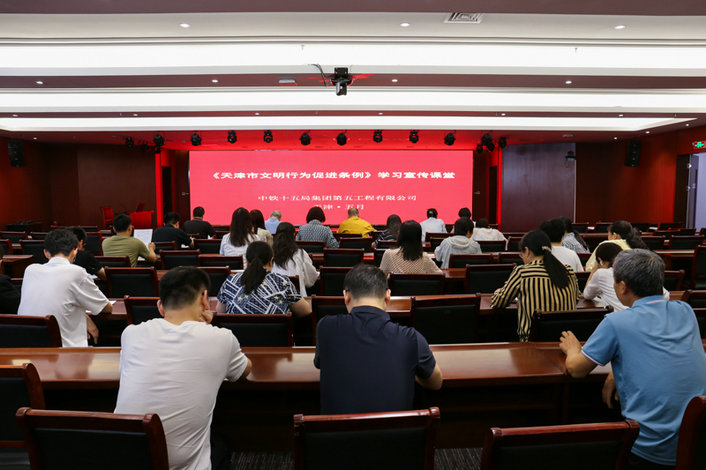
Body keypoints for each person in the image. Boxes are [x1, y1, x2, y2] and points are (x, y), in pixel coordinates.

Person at [560, 249, 706, 469]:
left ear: (622, 286)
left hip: (648, 451)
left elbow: (576, 369)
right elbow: (663, 354)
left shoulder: (616, 322)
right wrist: (618, 370)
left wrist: (572, 349)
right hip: (697, 442)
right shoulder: (685, 311)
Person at [114, 266, 252, 470]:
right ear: (204, 299)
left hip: (123, 455)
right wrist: (208, 328)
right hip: (180, 464)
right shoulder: (221, 338)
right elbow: (244, 370)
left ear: (160, 305)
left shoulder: (130, 334)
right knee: (221, 444)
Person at [314, 264, 443, 414]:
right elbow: (436, 383)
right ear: (388, 296)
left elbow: (321, 363)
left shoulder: (325, 327)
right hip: (397, 429)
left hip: (337, 429)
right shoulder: (411, 338)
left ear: (346, 296)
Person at [18, 229, 112, 347]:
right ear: (75, 251)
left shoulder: (30, 270)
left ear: (46, 253)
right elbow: (106, 308)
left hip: (28, 348)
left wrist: (85, 317)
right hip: (65, 352)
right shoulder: (77, 273)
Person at [491, 230, 579, 341]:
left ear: (527, 251)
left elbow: (498, 302)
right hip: (565, 343)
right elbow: (576, 298)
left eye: (521, 254)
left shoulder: (522, 272)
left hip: (532, 344)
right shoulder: (568, 271)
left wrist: (498, 292)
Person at [216, 241, 311, 317]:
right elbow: (305, 311)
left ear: (247, 262)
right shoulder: (282, 283)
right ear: (271, 261)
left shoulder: (230, 281)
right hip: (274, 336)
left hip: (236, 336)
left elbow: (220, 312)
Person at [271, 222, 317, 296]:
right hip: (297, 299)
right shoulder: (300, 253)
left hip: (273, 299)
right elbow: (311, 278)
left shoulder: (269, 254)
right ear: (294, 235)